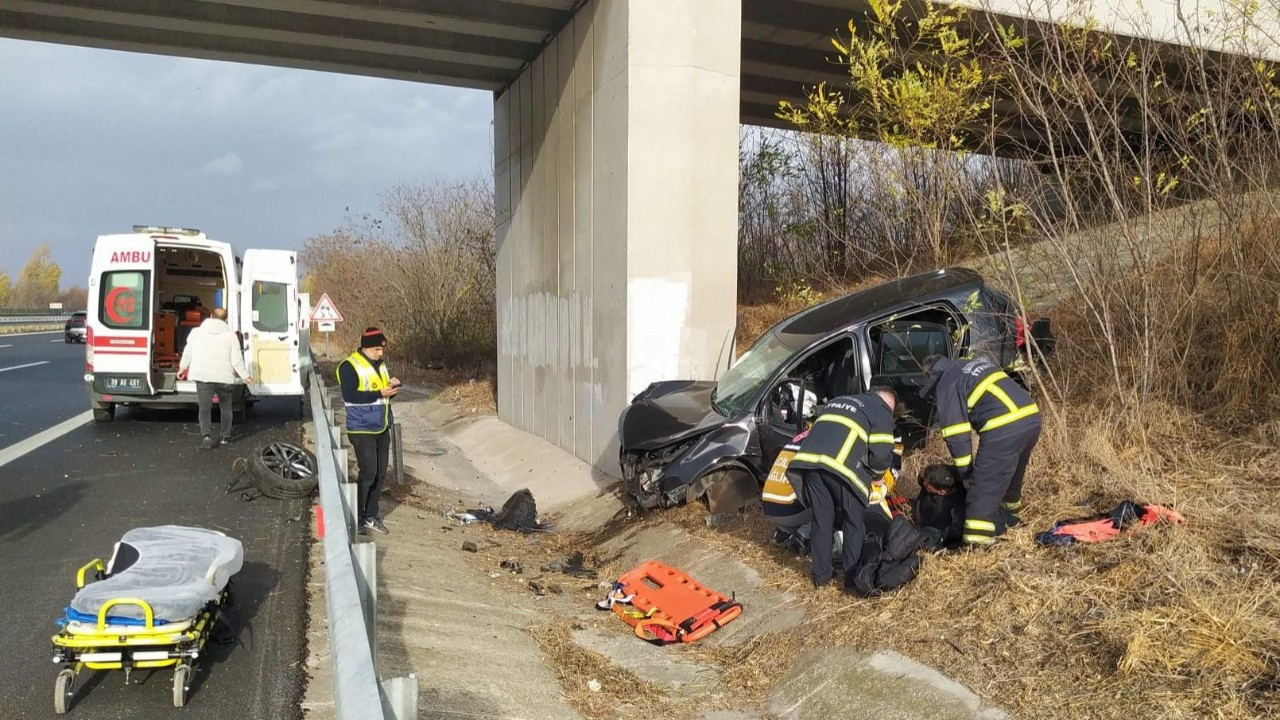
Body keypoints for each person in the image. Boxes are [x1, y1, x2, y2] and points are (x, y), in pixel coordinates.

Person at [920, 356, 1042, 547]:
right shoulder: (965, 365)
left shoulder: (946, 382)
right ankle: (1011, 522)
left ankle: (978, 547)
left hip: (1003, 426)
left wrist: (967, 474)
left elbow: (956, 435)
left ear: (931, 376)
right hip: (1030, 417)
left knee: (981, 494)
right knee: (1010, 482)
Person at [784, 388, 897, 589]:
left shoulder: (838, 399)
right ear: (888, 403)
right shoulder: (881, 410)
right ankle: (851, 580)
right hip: (841, 469)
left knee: (821, 522)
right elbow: (880, 456)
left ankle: (821, 577)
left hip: (809, 465)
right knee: (854, 523)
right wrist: (878, 477)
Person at [337, 327, 401, 535]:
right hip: (361, 426)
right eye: (376, 349)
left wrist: (392, 388)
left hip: (381, 426)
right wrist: (379, 392)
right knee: (368, 472)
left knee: (380, 474)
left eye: (382, 350)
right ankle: (359, 516)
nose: (381, 353)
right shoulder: (349, 366)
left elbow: (382, 396)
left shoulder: (380, 366)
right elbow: (350, 396)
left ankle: (372, 516)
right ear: (365, 347)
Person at [178, 307, 252, 450]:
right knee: (226, 408)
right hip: (223, 377)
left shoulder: (196, 333)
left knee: (204, 409)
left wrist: (182, 368)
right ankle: (225, 437)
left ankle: (206, 436)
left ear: (210, 316)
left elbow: (188, 353)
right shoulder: (231, 336)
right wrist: (245, 376)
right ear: (225, 319)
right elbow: (237, 359)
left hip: (202, 376)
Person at [912, 463, 966, 551]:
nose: (924, 484)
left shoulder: (946, 511)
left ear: (942, 492)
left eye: (927, 485)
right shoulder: (948, 477)